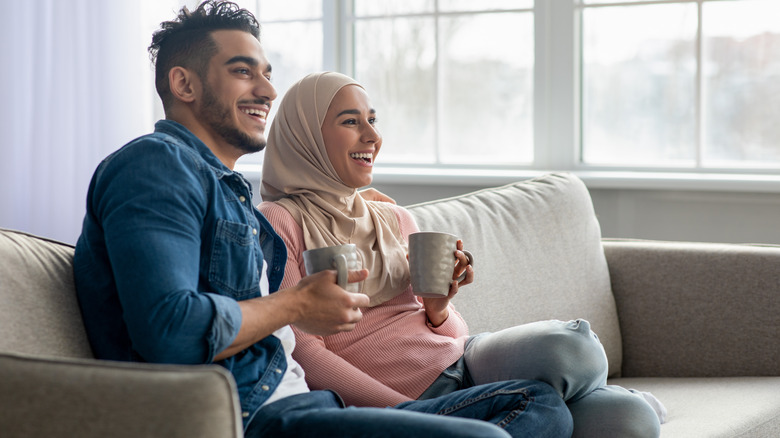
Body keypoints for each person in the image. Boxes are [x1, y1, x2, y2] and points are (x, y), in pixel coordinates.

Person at [72, 1, 574, 437]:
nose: (267, 90)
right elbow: (169, 330)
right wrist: (293, 305)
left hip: (305, 403)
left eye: (267, 73)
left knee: (542, 405)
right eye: (244, 71)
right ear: (183, 83)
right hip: (252, 417)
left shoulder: (230, 192)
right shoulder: (156, 165)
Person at [258, 71, 665, 438]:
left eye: (373, 120)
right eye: (351, 121)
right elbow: (306, 354)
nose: (372, 136)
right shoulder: (279, 222)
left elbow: (453, 335)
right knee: (628, 421)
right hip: (412, 401)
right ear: (305, 135)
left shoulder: (392, 216)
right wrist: (410, 414)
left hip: (465, 363)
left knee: (575, 349)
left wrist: (438, 307)